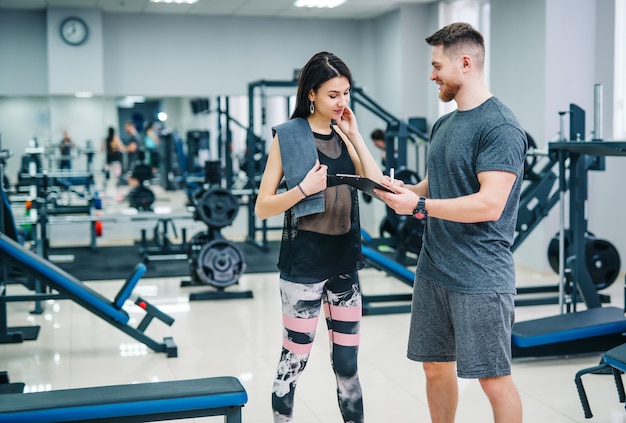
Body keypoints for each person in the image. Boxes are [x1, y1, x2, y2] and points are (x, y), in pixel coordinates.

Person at [375, 22, 526, 423]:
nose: (431, 74)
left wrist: (419, 205)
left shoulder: (501, 127)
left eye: (436, 65)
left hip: (480, 275)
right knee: (434, 366)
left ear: (464, 62)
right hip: (434, 268)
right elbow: (436, 182)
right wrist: (404, 191)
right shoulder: (444, 124)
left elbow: (490, 204)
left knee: (493, 379)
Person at [254, 51, 383, 423]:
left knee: (347, 363)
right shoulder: (289, 136)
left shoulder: (345, 134)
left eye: (346, 93)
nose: (342, 102)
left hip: (344, 263)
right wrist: (302, 189)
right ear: (311, 94)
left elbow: (376, 186)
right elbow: (262, 206)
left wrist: (357, 137)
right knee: (295, 359)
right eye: (333, 94)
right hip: (305, 265)